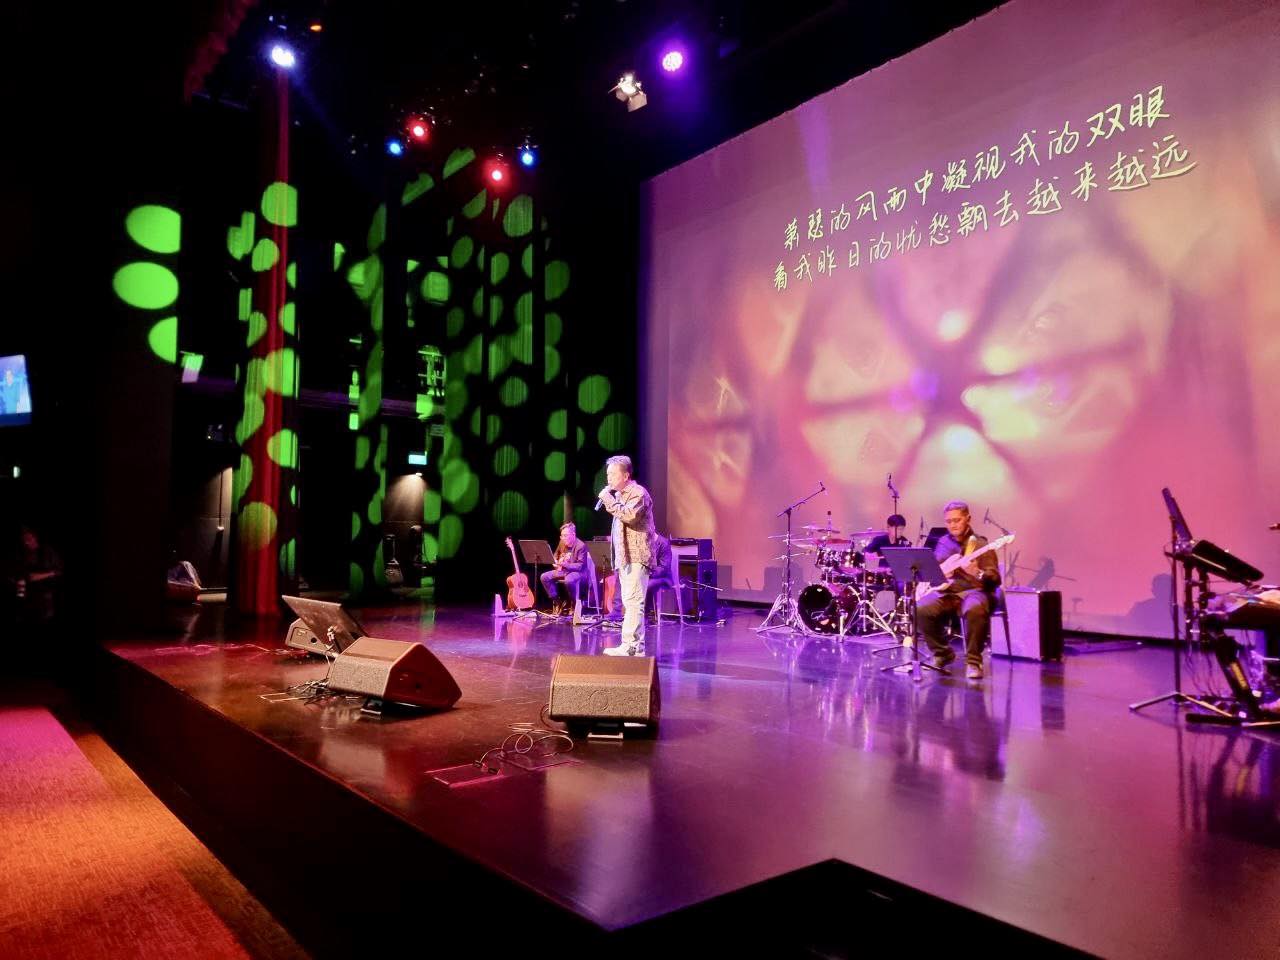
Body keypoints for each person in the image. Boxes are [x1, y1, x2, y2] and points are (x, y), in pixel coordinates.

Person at [916, 501, 1001, 679]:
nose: (953, 525)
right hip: (948, 592)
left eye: (957, 520)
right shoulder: (943, 542)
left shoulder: (980, 544)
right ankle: (942, 654)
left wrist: (977, 573)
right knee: (921, 607)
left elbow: (995, 580)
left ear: (968, 519)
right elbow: (936, 569)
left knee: (974, 609)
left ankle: (973, 662)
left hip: (975, 592)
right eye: (949, 521)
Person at [597, 455, 656, 656]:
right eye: (607, 474)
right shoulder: (621, 496)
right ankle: (628, 645)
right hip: (625, 558)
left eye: (613, 474)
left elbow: (630, 516)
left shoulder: (639, 493)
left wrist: (609, 500)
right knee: (629, 602)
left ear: (626, 475)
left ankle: (633, 648)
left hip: (637, 555)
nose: (609, 478)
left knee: (634, 602)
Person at [539, 522, 587, 616]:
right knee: (544, 577)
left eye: (565, 536)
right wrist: (555, 562)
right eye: (562, 536)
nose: (563, 538)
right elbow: (555, 555)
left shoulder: (581, 546)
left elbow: (580, 566)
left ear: (573, 534)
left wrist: (565, 565)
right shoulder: (562, 542)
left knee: (569, 580)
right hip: (563, 570)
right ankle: (557, 601)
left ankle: (573, 603)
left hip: (577, 572)